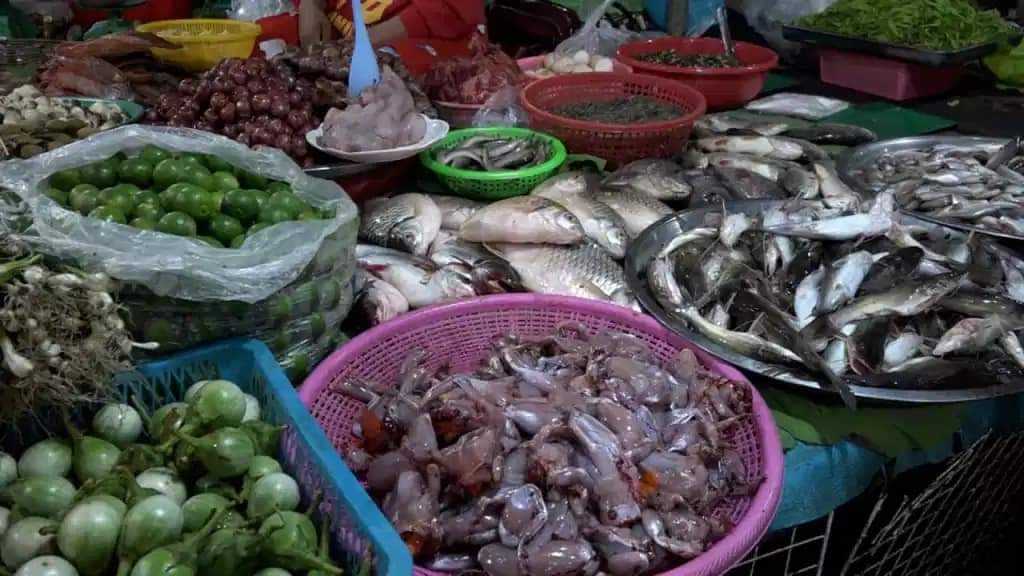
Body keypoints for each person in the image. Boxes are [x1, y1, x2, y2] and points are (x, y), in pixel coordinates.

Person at [299, 0, 485, 74]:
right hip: (344, 21)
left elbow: (455, 9)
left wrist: (373, 37)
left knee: (391, 75)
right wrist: (310, 4)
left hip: (423, 32)